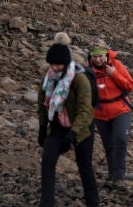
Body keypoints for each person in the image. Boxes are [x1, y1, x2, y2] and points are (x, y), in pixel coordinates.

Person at [38, 33, 98, 207]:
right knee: (47, 162)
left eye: (58, 65)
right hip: (57, 126)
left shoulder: (79, 79)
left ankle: (93, 203)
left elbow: (85, 111)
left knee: (84, 165)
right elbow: (42, 104)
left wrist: (72, 136)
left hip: (82, 129)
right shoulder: (48, 78)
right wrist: (43, 127)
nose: (54, 68)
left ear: (65, 64)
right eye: (52, 64)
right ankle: (46, 203)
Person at [88, 41, 133, 188]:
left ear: (106, 54)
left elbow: (130, 85)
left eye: (100, 56)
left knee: (120, 139)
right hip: (100, 113)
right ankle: (111, 173)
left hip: (121, 110)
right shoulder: (88, 70)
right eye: (94, 57)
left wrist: (114, 74)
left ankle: (119, 176)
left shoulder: (116, 65)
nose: (98, 59)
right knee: (108, 145)